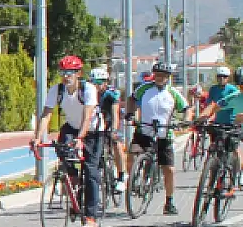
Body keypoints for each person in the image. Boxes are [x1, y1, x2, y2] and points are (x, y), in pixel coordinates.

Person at [35, 54, 102, 227]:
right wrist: (37, 138)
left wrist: (80, 139)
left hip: (93, 132)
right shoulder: (56, 90)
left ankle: (91, 217)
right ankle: (72, 189)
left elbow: (87, 116)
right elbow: (46, 114)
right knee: (67, 162)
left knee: (90, 172)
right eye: (63, 72)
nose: (66, 76)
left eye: (70, 73)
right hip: (71, 128)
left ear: (78, 73)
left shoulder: (88, 89)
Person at [124, 61, 186, 216]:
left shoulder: (173, 93)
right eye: (157, 75)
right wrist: (130, 113)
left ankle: (169, 201)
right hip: (144, 130)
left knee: (169, 169)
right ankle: (133, 182)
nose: (159, 78)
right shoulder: (145, 88)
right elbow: (131, 99)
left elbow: (186, 108)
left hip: (164, 134)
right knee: (131, 155)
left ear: (168, 78)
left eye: (163, 76)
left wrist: (182, 122)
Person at [196, 64, 241, 172]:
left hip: (231, 123)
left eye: (224, 77)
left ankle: (238, 172)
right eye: (219, 76)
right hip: (218, 122)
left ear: (228, 78)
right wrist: (203, 117)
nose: (221, 79)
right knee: (214, 147)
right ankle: (212, 171)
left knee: (232, 149)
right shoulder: (213, 89)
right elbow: (210, 105)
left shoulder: (232, 90)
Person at [91, 67, 126, 197]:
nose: (96, 86)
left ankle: (122, 176)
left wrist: (114, 130)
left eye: (99, 83)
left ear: (105, 83)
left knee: (116, 143)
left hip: (111, 120)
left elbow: (115, 114)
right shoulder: (89, 92)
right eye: (93, 82)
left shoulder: (112, 93)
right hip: (97, 124)